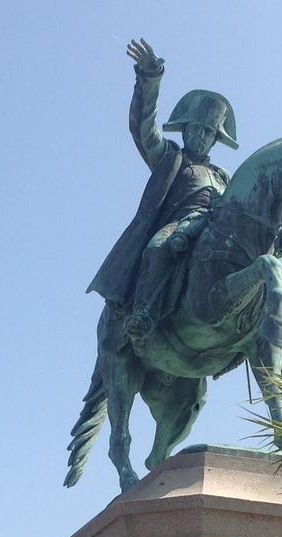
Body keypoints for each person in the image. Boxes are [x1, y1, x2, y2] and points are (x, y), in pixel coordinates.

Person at [86, 39, 238, 340]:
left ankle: (276, 348)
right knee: (157, 248)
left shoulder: (224, 176)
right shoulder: (171, 158)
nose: (202, 135)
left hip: (215, 232)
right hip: (177, 228)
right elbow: (143, 128)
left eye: (209, 132)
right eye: (196, 128)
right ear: (185, 129)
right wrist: (150, 77)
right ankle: (142, 312)